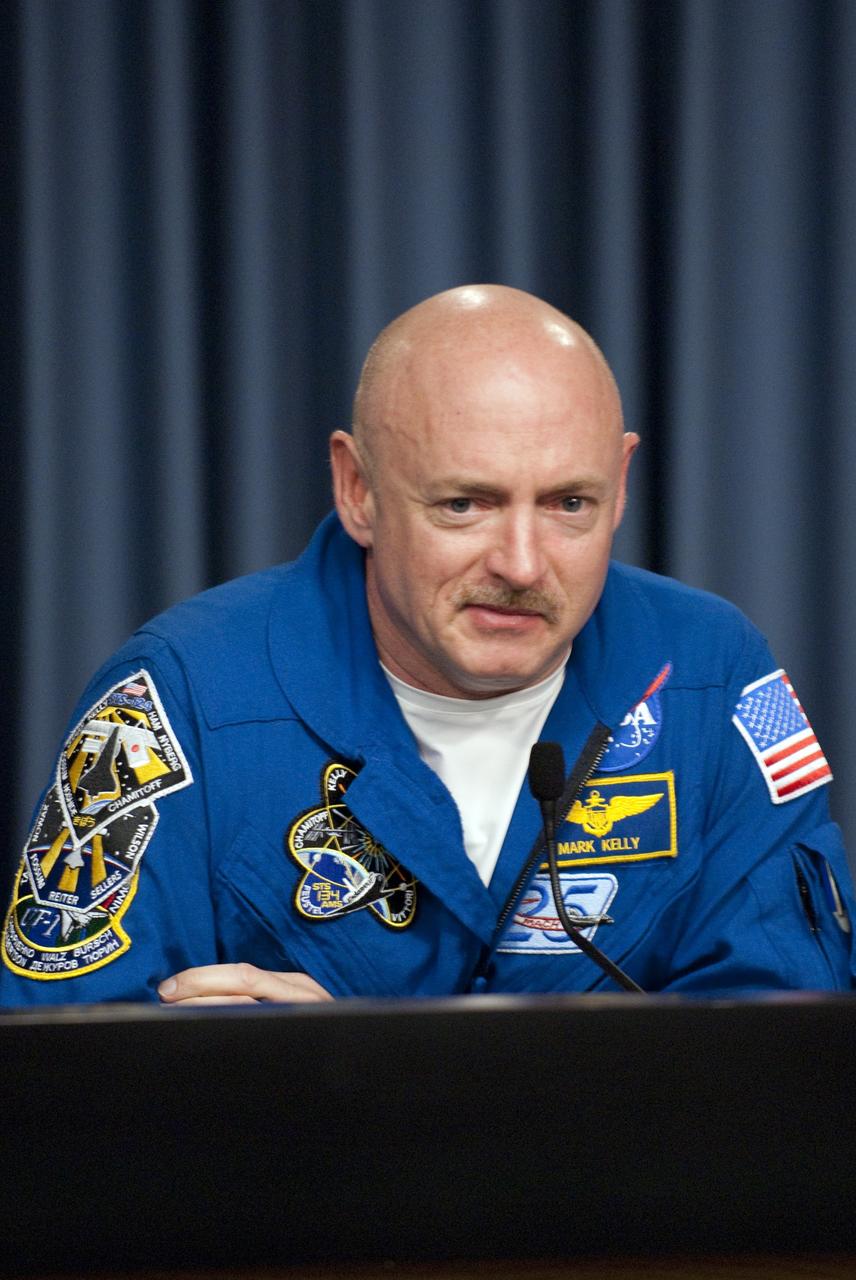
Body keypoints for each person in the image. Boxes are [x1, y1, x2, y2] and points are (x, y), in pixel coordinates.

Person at [2, 284, 853, 1007]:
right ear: (358, 489)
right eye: (464, 505)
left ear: (622, 483)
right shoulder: (181, 695)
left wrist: (370, 1086)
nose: (521, 565)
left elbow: (782, 1065)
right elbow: (61, 1087)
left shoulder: (713, 673)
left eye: (569, 505)